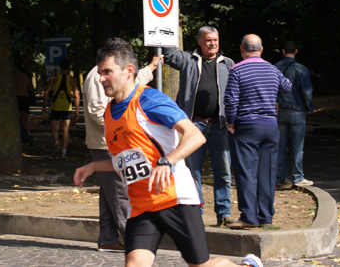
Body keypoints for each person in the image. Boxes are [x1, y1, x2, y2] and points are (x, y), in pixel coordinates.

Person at [74, 37, 263, 267]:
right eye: (100, 73)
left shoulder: (149, 99)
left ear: (129, 71)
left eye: (106, 72)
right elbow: (127, 161)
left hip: (175, 199)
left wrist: (166, 161)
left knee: (201, 265)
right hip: (142, 206)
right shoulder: (109, 112)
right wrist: (94, 166)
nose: (101, 79)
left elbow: (195, 136)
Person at [83, 51, 162, 252]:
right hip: (105, 144)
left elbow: (132, 80)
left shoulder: (118, 73)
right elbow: (95, 110)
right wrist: (120, 128)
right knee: (119, 191)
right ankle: (135, 242)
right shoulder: (97, 76)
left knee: (109, 191)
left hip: (114, 142)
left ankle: (108, 238)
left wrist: (151, 67)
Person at [162, 26, 234, 226]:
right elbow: (167, 55)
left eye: (215, 40)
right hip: (193, 127)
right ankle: (196, 214)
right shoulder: (187, 60)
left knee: (224, 172)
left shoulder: (228, 64)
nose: (212, 44)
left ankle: (224, 214)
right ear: (200, 42)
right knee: (193, 173)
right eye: (208, 40)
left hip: (220, 127)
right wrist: (163, 26)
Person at [224, 34, 291, 230]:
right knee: (267, 173)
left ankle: (249, 216)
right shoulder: (272, 69)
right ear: (261, 50)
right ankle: (265, 215)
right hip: (270, 126)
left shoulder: (237, 69)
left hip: (246, 126)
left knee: (246, 172)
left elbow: (231, 100)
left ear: (241, 49)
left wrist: (230, 123)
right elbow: (287, 87)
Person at [274, 41, 314, 190]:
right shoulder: (301, 69)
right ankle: (298, 177)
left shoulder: (275, 67)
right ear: (296, 51)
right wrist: (308, 107)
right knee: (297, 145)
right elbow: (306, 91)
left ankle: (280, 178)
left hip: (280, 111)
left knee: (281, 146)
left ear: (283, 51)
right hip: (297, 110)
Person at [42, 59, 80, 158]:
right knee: (65, 130)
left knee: (54, 129)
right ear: (69, 67)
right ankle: (63, 151)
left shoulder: (54, 78)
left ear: (60, 67)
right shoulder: (72, 80)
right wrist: (77, 110)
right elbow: (76, 95)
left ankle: (56, 145)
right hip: (66, 108)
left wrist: (44, 106)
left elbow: (47, 92)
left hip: (56, 107)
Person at [15, 56, 35, 144]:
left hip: (18, 97)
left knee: (18, 119)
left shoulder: (14, 74)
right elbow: (30, 88)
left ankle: (23, 135)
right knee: (23, 119)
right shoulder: (26, 75)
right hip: (25, 98)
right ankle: (28, 133)